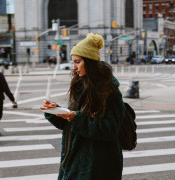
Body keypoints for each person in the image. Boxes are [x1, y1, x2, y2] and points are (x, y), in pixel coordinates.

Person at [42, 33, 125, 179]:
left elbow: (110, 129)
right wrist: (57, 111)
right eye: (73, 62)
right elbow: (73, 122)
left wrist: (76, 118)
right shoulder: (79, 86)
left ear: (89, 62)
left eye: (78, 62)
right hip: (74, 159)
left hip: (99, 165)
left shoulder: (109, 91)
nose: (74, 67)